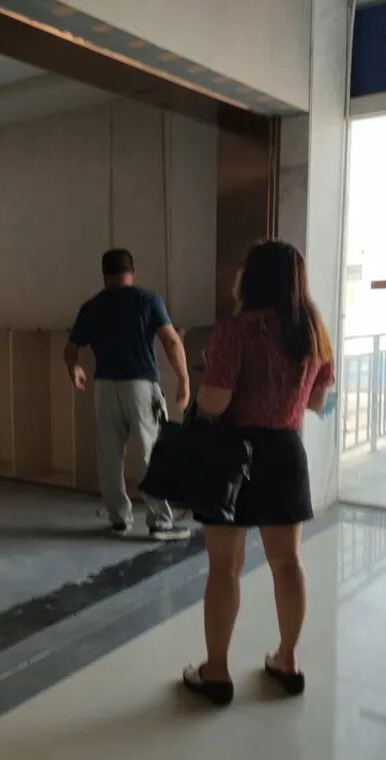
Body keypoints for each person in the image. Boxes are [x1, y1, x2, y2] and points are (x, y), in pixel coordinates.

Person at [181, 240, 335, 705]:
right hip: (286, 453)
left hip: (233, 456)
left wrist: (205, 383)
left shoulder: (236, 330)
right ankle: (287, 661)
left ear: (251, 278)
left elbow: (216, 403)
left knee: (224, 568)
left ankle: (216, 672)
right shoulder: (314, 333)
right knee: (287, 563)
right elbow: (317, 401)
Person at [64, 248, 192, 541]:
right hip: (140, 387)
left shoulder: (91, 307)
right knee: (151, 453)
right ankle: (160, 521)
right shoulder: (148, 300)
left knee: (110, 456)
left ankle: (119, 519)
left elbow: (70, 349)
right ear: (132, 272)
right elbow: (171, 341)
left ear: (104, 275)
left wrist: (74, 368)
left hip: (104, 388)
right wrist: (184, 379)